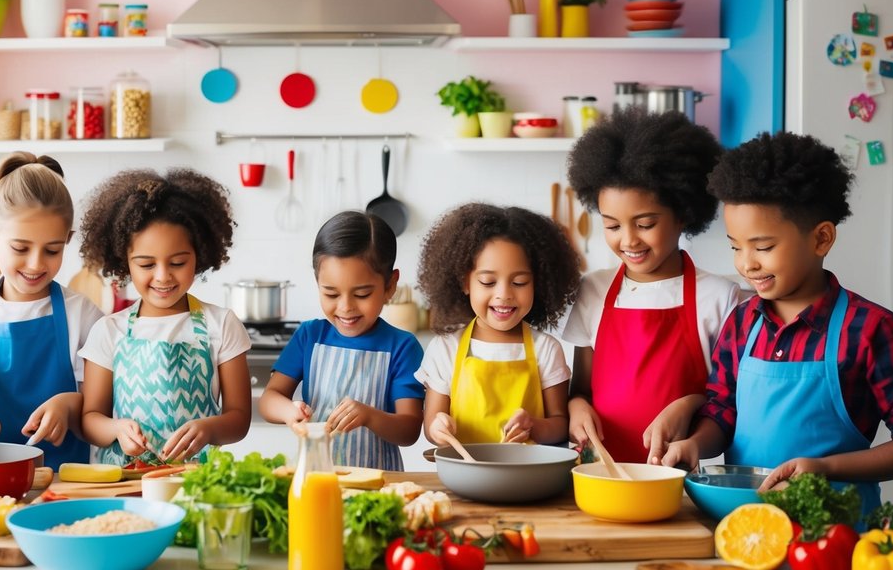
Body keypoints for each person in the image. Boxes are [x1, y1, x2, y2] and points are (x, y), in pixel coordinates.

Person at [661, 132, 893, 513]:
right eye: (735, 246)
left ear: (821, 239)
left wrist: (824, 468)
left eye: (763, 247)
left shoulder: (871, 330)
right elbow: (722, 412)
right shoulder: (741, 323)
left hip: (836, 536)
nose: (746, 264)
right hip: (745, 522)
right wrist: (695, 444)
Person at [562, 109, 740, 464]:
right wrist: (577, 410)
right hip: (599, 474)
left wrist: (689, 404)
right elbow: (581, 390)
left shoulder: (720, 296)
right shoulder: (593, 289)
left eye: (645, 224)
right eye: (612, 226)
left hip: (679, 479)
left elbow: (729, 402)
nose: (628, 240)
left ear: (684, 214)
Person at [77, 168, 251, 465]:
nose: (162, 276)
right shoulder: (108, 331)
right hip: (126, 482)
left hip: (195, 482)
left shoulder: (221, 324)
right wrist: (117, 429)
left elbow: (239, 419)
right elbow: (91, 419)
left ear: (199, 255)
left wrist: (209, 429)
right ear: (124, 262)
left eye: (178, 262)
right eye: (146, 264)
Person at [0, 153, 103, 470]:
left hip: (61, 482)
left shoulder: (84, 316)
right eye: (21, 248)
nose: (37, 263)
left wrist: (69, 405)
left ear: (67, 241)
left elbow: (103, 408)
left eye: (52, 250)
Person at [258, 211, 424, 470]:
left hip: (379, 483)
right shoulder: (310, 336)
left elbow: (409, 429)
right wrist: (289, 411)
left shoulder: (402, 346)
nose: (346, 307)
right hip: (315, 475)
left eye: (362, 293)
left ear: (390, 286)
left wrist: (370, 416)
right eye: (331, 293)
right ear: (317, 283)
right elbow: (270, 399)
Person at [417, 204, 579, 449]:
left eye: (519, 282)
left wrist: (533, 425)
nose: (504, 294)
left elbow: (559, 425)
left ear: (540, 284)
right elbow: (431, 426)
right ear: (465, 282)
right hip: (465, 479)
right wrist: (438, 426)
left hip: (530, 481)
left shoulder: (546, 348)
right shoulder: (446, 348)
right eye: (488, 281)